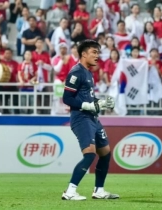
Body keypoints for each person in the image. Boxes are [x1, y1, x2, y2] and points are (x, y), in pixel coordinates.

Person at [61, 39, 118, 200]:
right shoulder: (76, 72)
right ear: (83, 54)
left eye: (98, 52)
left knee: (105, 153)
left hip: (93, 118)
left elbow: (86, 98)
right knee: (90, 154)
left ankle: (99, 190)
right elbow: (67, 98)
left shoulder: (88, 72)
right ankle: (70, 192)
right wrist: (87, 105)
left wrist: (98, 103)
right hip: (81, 118)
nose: (97, 56)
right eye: (94, 52)